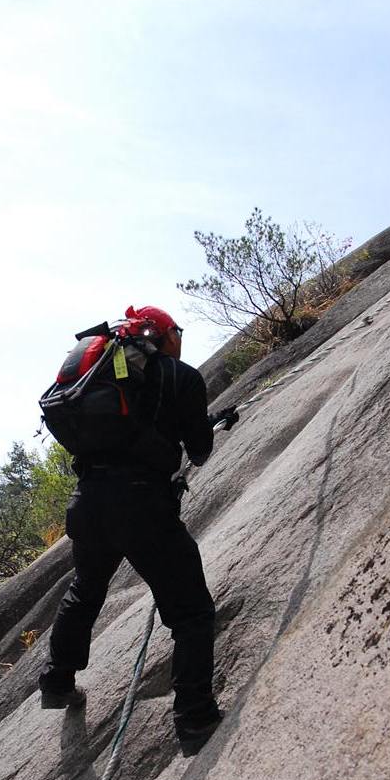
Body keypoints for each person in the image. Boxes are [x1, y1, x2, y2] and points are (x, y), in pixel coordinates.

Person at [38, 305, 238, 757]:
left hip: (88, 503)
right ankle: (195, 718)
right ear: (165, 335)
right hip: (142, 505)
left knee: (86, 588)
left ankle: (57, 680)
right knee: (190, 613)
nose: (179, 340)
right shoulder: (181, 377)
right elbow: (200, 451)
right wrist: (199, 428)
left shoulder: (104, 380)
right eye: (177, 333)